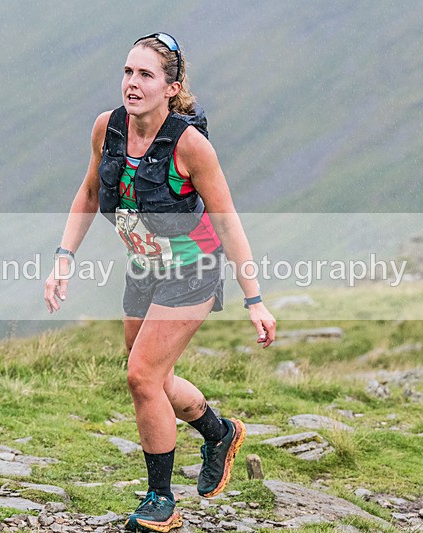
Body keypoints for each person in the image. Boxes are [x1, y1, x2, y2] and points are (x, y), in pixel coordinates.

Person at [44, 32, 276, 533]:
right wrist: (64, 257)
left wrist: (254, 299)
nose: (132, 83)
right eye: (128, 72)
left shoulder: (191, 147)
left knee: (141, 376)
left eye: (145, 74)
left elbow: (229, 221)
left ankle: (161, 500)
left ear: (171, 88)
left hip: (193, 269)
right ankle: (219, 432)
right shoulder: (107, 128)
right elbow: (88, 193)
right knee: (153, 374)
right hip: (145, 267)